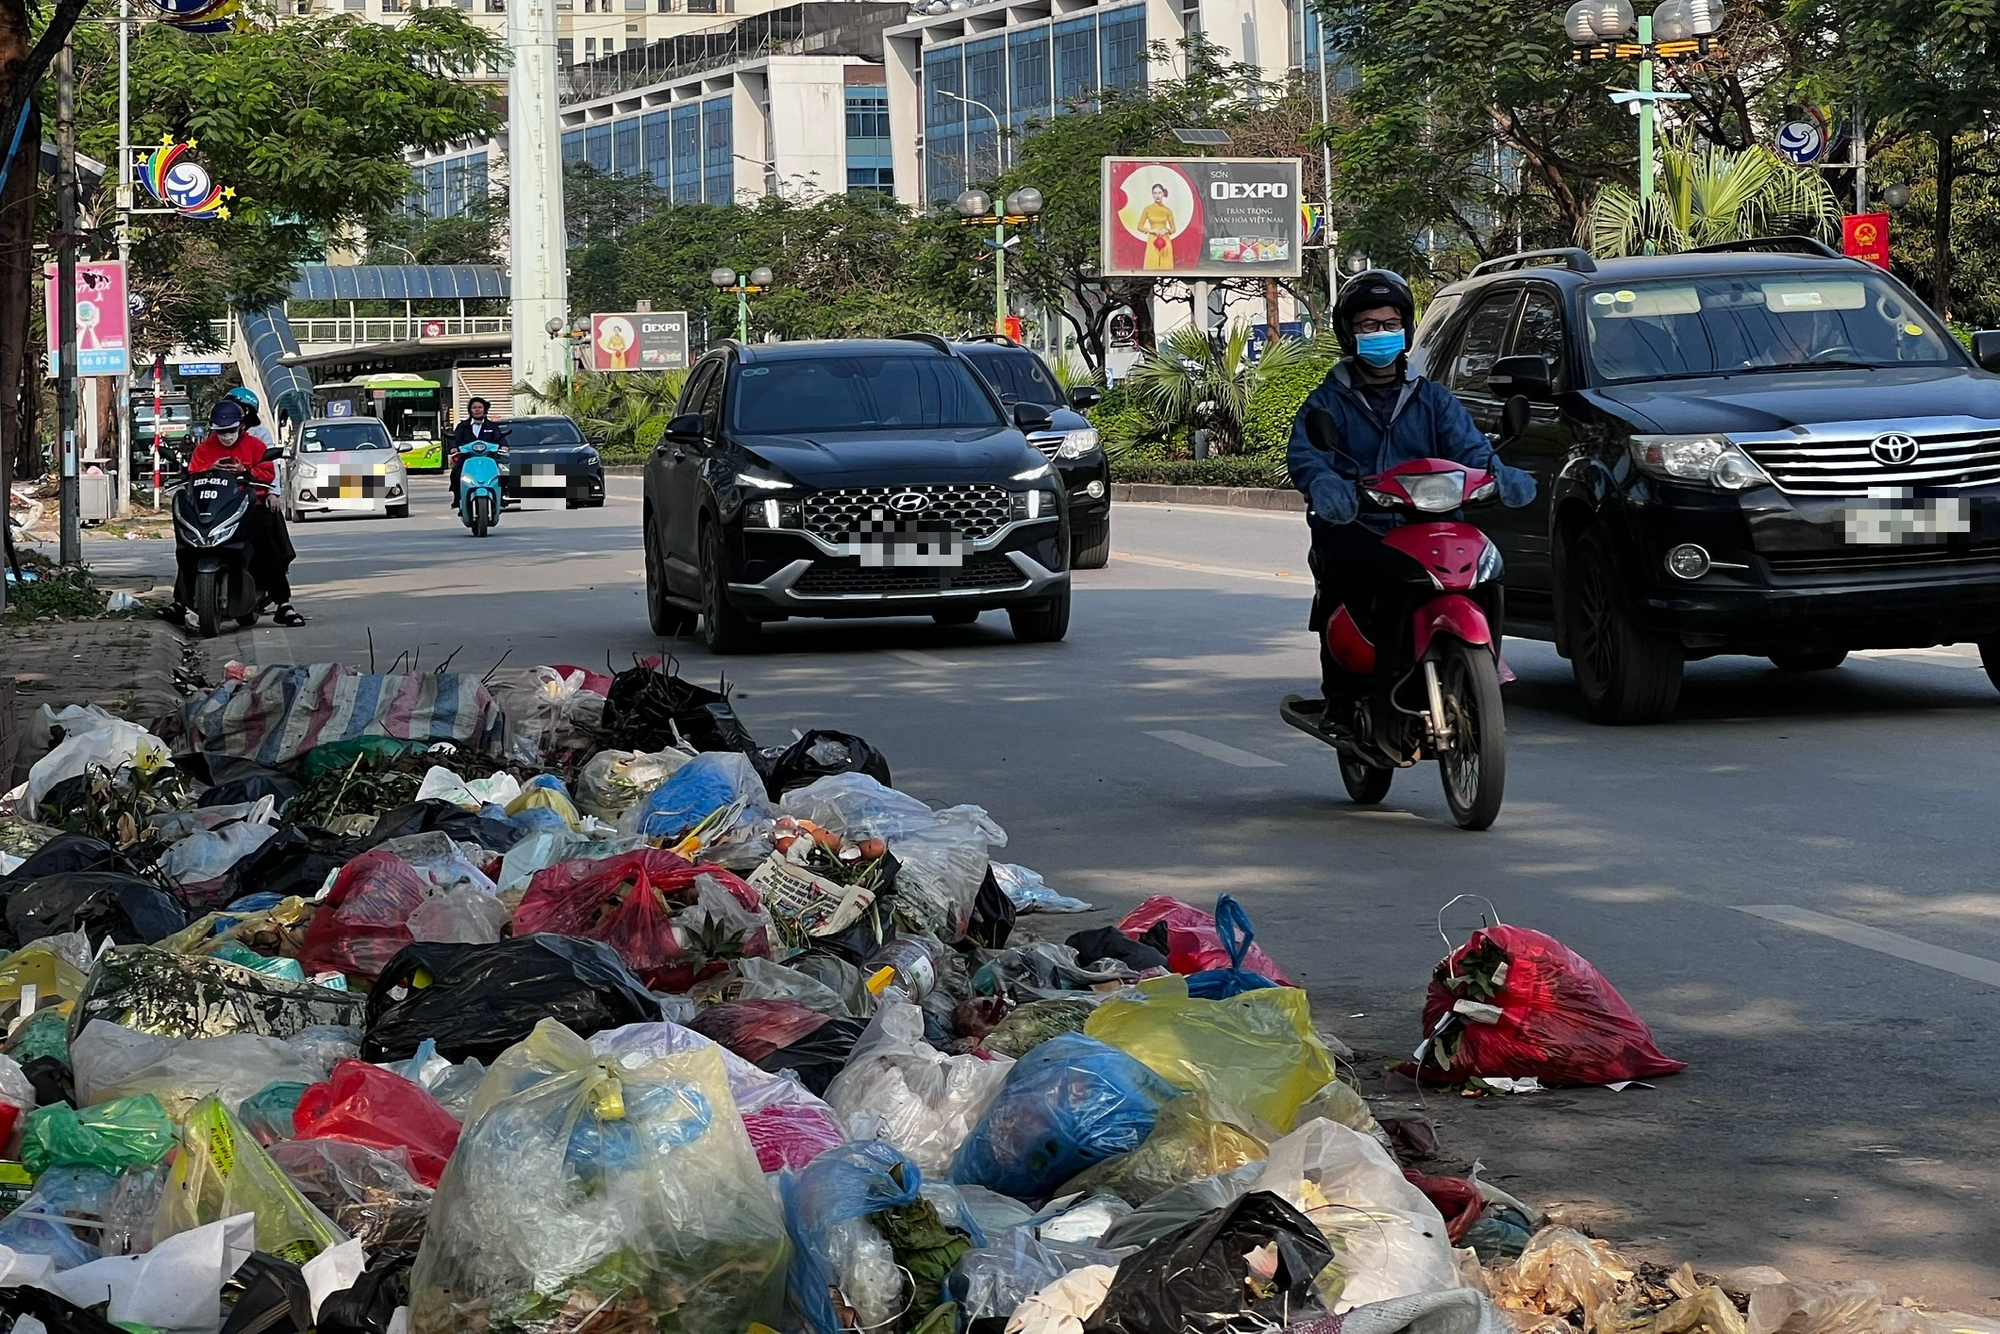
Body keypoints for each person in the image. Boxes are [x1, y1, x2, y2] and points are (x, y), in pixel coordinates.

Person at [1287, 269, 1536, 710]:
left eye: (1389, 324)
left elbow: (1472, 449)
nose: (1380, 333)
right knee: (1344, 572)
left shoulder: (1433, 398)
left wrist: (1500, 473)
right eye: (1368, 325)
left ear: (1404, 328)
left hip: (1434, 524)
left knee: (1489, 568)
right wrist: (1326, 483)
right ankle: (1342, 697)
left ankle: (1484, 657)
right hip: (1362, 522)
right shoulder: (1327, 400)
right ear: (1350, 333)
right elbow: (1308, 453)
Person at [170, 400, 305, 627]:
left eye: (231, 430)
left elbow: (267, 473)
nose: (226, 436)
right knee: (188, 546)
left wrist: (246, 470)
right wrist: (212, 467)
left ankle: (283, 604)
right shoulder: (204, 449)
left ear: (241, 426)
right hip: (213, 507)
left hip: (248, 507)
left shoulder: (255, 446)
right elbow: (193, 471)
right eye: (221, 432)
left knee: (265, 545)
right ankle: (180, 602)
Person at [446, 397, 506, 508]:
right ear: (470, 410)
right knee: (456, 472)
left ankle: (500, 497)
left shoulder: (492, 426)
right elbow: (454, 439)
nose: (477, 410)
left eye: (480, 407)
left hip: (489, 458)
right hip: (467, 459)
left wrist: (504, 446)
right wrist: (454, 448)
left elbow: (500, 439)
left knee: (501, 472)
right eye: (474, 407)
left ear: (485, 409)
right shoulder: (462, 426)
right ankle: (458, 498)